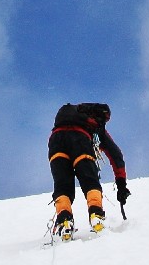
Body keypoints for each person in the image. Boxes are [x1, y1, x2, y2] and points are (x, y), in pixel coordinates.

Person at [47, 102, 130, 240]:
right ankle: (96, 214)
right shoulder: (96, 128)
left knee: (62, 186)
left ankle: (64, 220)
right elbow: (116, 155)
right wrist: (121, 185)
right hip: (80, 140)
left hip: (56, 142)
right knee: (90, 180)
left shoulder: (70, 116)